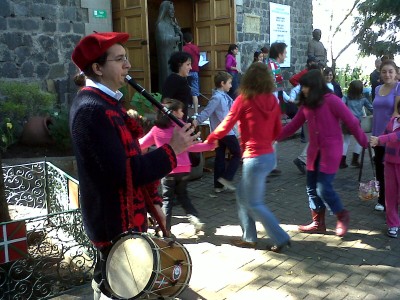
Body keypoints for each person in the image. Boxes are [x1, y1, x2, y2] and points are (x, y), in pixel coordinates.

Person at [69, 31, 200, 300]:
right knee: (117, 287)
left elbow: (132, 161)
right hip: (113, 225)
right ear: (97, 68)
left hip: (128, 217)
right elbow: (125, 173)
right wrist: (173, 149)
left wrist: (155, 204)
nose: (128, 65)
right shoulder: (91, 110)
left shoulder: (107, 103)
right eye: (120, 60)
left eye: (126, 59)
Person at [205, 63, 291, 252]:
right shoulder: (272, 101)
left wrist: (211, 138)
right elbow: (278, 130)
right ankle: (249, 237)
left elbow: (227, 124)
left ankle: (280, 236)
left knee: (254, 203)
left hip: (254, 158)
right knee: (242, 194)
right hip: (268, 156)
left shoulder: (243, 99)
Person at [277, 69, 368, 237]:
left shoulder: (332, 100)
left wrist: (364, 141)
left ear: (314, 86)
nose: (302, 90)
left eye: (304, 86)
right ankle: (318, 223)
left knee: (323, 188)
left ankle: (342, 215)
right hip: (314, 152)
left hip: (331, 151)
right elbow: (293, 126)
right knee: (311, 188)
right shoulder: (307, 104)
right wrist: (275, 135)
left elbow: (352, 121)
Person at [139, 99, 214, 233]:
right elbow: (194, 147)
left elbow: (141, 144)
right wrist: (210, 145)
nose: (183, 112)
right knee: (183, 196)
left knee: (167, 200)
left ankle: (165, 229)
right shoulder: (182, 127)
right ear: (172, 112)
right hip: (185, 170)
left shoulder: (156, 129)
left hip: (167, 170)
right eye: (180, 110)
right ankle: (194, 218)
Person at [192, 71, 241, 193]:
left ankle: (218, 186)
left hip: (220, 132)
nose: (231, 85)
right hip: (225, 132)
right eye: (229, 83)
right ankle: (226, 178)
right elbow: (207, 112)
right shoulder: (217, 97)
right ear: (222, 83)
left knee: (220, 157)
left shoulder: (223, 96)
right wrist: (196, 121)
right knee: (237, 154)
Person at [371, 60, 400, 212]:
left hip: (391, 137)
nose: (387, 74)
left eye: (390, 71)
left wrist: (386, 136)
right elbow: (375, 112)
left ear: (396, 73)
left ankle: (393, 200)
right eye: (384, 72)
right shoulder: (377, 89)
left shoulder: (398, 87)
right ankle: (382, 199)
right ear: (380, 73)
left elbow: (396, 113)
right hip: (377, 135)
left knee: (392, 169)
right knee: (379, 168)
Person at [370, 101, 400, 238]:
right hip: (389, 163)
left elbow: (395, 136)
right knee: (390, 195)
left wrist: (379, 139)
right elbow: (385, 134)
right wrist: (374, 141)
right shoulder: (393, 121)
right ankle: (393, 224)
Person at [267, 42, 289, 176]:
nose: (286, 55)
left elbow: (279, 88)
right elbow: (271, 88)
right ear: (279, 53)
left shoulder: (273, 65)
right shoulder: (271, 65)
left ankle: (271, 165)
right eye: (285, 53)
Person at [341, 80, 373, 168]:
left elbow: (340, 106)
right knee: (360, 140)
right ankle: (355, 160)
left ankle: (342, 162)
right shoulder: (363, 99)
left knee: (346, 141)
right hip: (356, 123)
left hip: (346, 121)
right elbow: (371, 108)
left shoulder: (346, 97)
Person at [155, 0, 183, 91]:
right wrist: (176, 38)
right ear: (165, 10)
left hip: (175, 53)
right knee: (167, 75)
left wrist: (178, 32)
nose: (173, 12)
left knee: (176, 74)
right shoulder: (160, 25)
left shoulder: (172, 24)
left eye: (173, 9)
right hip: (166, 55)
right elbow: (163, 40)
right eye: (171, 9)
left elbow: (180, 37)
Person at [162, 51, 193, 121]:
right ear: (179, 65)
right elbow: (166, 101)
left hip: (181, 119)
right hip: (175, 122)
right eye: (188, 64)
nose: (190, 68)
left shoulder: (181, 79)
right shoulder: (174, 79)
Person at [183, 32, 200, 115]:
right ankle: (196, 112)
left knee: (184, 90)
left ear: (183, 40)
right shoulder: (195, 48)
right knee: (195, 92)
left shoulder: (183, 48)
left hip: (186, 71)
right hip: (195, 70)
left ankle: (184, 111)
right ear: (191, 40)